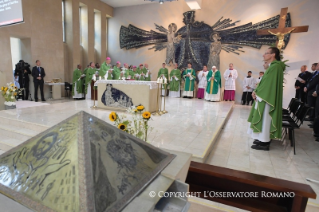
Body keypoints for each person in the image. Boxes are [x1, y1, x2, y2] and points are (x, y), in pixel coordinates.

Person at [247, 47, 285, 151]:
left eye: (266, 53)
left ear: (273, 55)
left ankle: (264, 142)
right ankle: (260, 139)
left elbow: (269, 85)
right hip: (264, 96)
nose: (263, 55)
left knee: (265, 120)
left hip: (267, 98)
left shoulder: (275, 67)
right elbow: (264, 81)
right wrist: (256, 91)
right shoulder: (272, 66)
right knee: (263, 119)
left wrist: (257, 93)